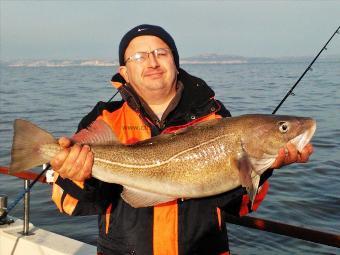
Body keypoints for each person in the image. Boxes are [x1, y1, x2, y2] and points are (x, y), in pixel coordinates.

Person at [50, 24, 313, 255]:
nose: (152, 62)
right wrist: (79, 176)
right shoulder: (105, 119)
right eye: (139, 56)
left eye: (161, 53)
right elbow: (68, 204)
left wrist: (264, 169)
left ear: (175, 63)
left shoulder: (216, 119)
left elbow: (240, 206)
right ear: (125, 71)